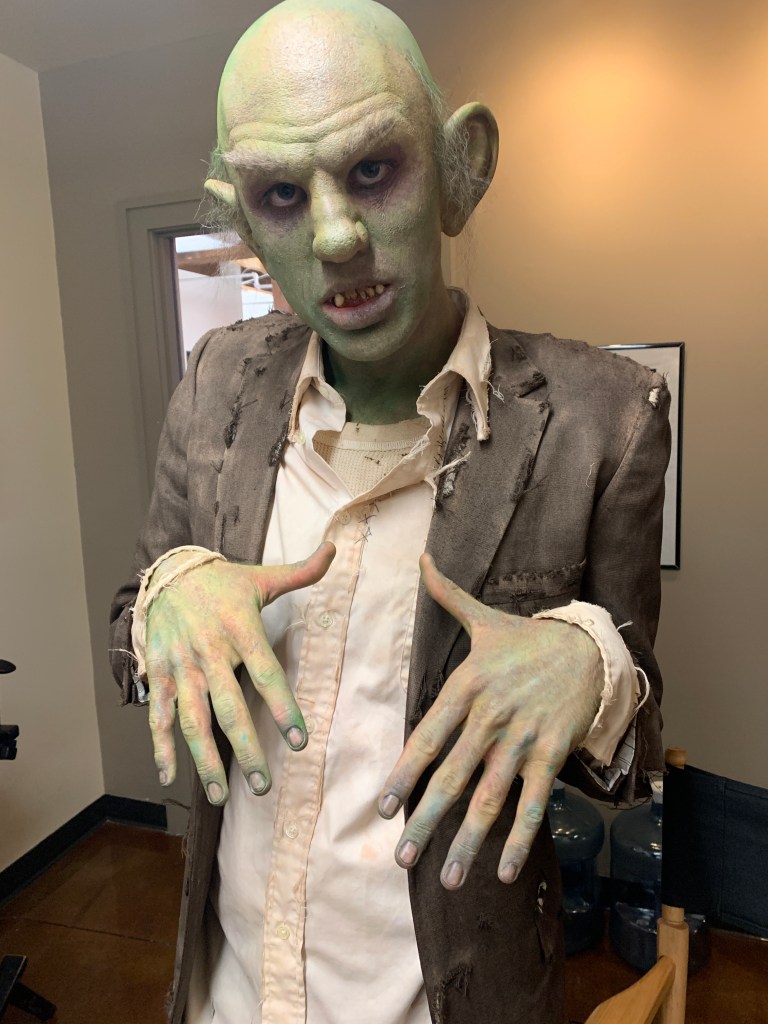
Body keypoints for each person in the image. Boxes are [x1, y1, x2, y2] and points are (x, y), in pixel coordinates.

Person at [109, 2, 670, 1021]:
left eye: (374, 169)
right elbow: (130, 634)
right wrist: (169, 594)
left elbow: (630, 756)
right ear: (242, 219)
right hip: (230, 993)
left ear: (461, 170)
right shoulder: (214, 381)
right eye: (282, 194)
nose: (335, 235)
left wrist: (590, 667)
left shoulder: (606, 419)